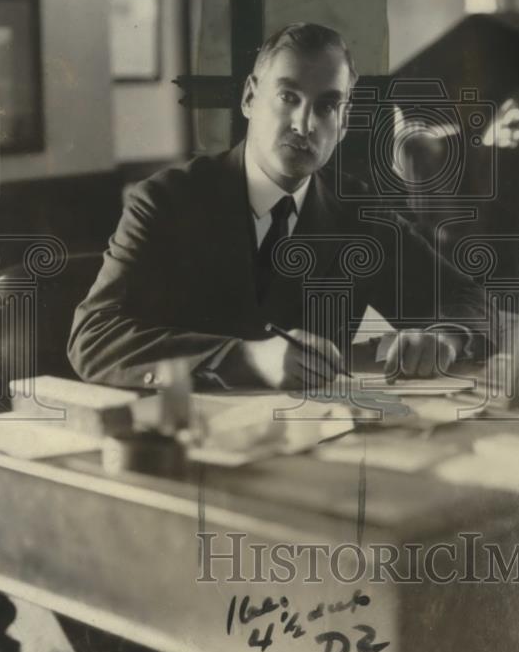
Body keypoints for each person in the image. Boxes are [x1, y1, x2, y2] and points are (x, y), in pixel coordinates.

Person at [68, 23, 491, 391]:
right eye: (289, 96)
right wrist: (243, 359)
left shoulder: (359, 212)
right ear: (251, 98)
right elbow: (93, 338)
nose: (305, 124)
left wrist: (446, 336)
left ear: (343, 124)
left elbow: (468, 296)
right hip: (193, 453)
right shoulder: (167, 202)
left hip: (319, 447)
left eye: (327, 106)